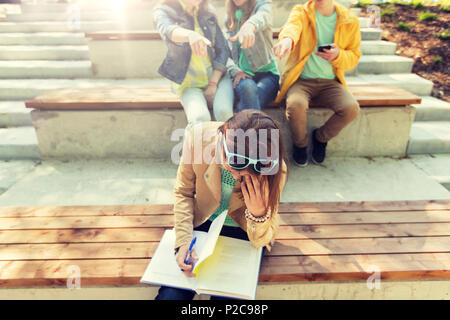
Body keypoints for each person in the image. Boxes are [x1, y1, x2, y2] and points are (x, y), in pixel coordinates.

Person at [155, 109, 288, 300]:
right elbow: (183, 192)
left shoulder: (274, 170)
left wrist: (258, 214)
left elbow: (260, 239)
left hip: (244, 232)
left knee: (228, 297)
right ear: (221, 144)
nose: (235, 176)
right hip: (202, 226)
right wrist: (183, 239)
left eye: (245, 173)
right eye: (231, 166)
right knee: (170, 296)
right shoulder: (198, 139)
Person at [273, 0, 361, 166]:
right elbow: (292, 28)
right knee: (295, 105)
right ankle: (301, 145)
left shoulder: (349, 20)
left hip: (331, 83)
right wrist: (287, 40)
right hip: (301, 80)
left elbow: (354, 56)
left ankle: (320, 138)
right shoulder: (301, 12)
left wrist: (339, 56)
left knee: (351, 109)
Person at [153, 0, 234, 127]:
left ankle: (227, 147)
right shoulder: (163, 10)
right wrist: (190, 35)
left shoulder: (208, 11)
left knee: (224, 113)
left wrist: (213, 83)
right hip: (189, 83)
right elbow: (169, 31)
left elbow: (223, 49)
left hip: (218, 78)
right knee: (199, 119)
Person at [225, 0, 280, 112]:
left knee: (249, 101)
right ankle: (257, 128)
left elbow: (263, 16)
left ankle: (242, 124)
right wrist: (236, 71)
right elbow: (225, 52)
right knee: (248, 89)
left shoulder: (263, 5)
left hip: (268, 75)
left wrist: (250, 25)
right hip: (242, 75)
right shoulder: (228, 17)